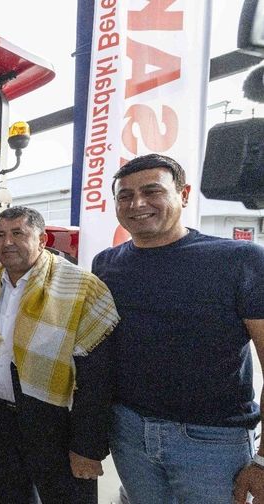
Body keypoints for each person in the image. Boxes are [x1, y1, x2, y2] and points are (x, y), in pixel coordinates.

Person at [91, 154, 264, 504]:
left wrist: (262, 461)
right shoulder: (106, 264)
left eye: (151, 190)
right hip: (129, 433)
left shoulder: (239, 260)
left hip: (212, 443)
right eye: (124, 195)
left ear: (184, 195)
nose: (137, 203)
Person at [0, 206, 119, 504]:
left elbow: (98, 377)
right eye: (0, 235)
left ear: (43, 239)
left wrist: (87, 448)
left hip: (55, 423)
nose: (7, 242)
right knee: (12, 497)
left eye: (18, 233)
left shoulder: (81, 287)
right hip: (1, 419)